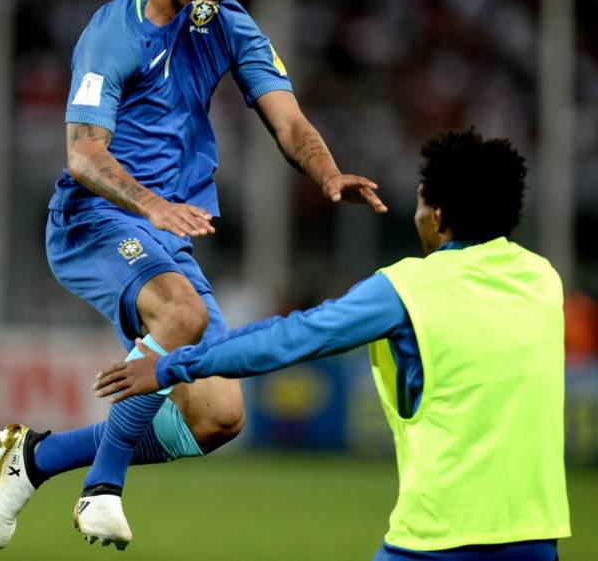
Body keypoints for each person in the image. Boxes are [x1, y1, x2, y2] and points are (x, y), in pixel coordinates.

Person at [0, 0, 387, 552]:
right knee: (181, 312)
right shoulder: (114, 33)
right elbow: (83, 154)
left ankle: (37, 457)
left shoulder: (229, 25)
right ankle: (101, 489)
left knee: (219, 417)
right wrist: (152, 205)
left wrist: (328, 172)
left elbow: (288, 120)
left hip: (165, 233)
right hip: (96, 219)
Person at [94, 130, 572, 561]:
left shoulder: (408, 288)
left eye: (421, 205)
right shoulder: (544, 280)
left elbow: (292, 338)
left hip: (439, 538)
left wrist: (172, 365)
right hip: (537, 537)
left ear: (439, 215)